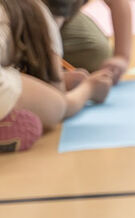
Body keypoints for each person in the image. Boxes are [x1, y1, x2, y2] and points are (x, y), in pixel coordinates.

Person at [0, 0, 110, 151]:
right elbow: (62, 101)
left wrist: (59, 78)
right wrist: (89, 89)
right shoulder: (41, 14)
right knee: (56, 107)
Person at [43, 0, 132, 82]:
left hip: (61, 16)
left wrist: (121, 56)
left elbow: (119, 2)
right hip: (33, 15)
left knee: (99, 55)